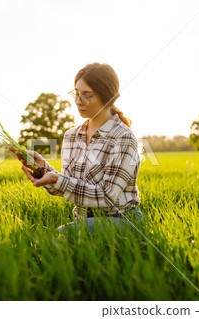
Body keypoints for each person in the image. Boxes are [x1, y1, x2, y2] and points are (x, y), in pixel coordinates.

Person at [8, 62, 144, 234]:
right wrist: (42, 169)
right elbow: (69, 185)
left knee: (58, 237)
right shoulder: (71, 136)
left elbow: (107, 197)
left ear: (107, 96)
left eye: (87, 95)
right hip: (84, 221)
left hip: (122, 220)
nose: (78, 101)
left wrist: (58, 180)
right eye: (76, 93)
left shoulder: (123, 137)